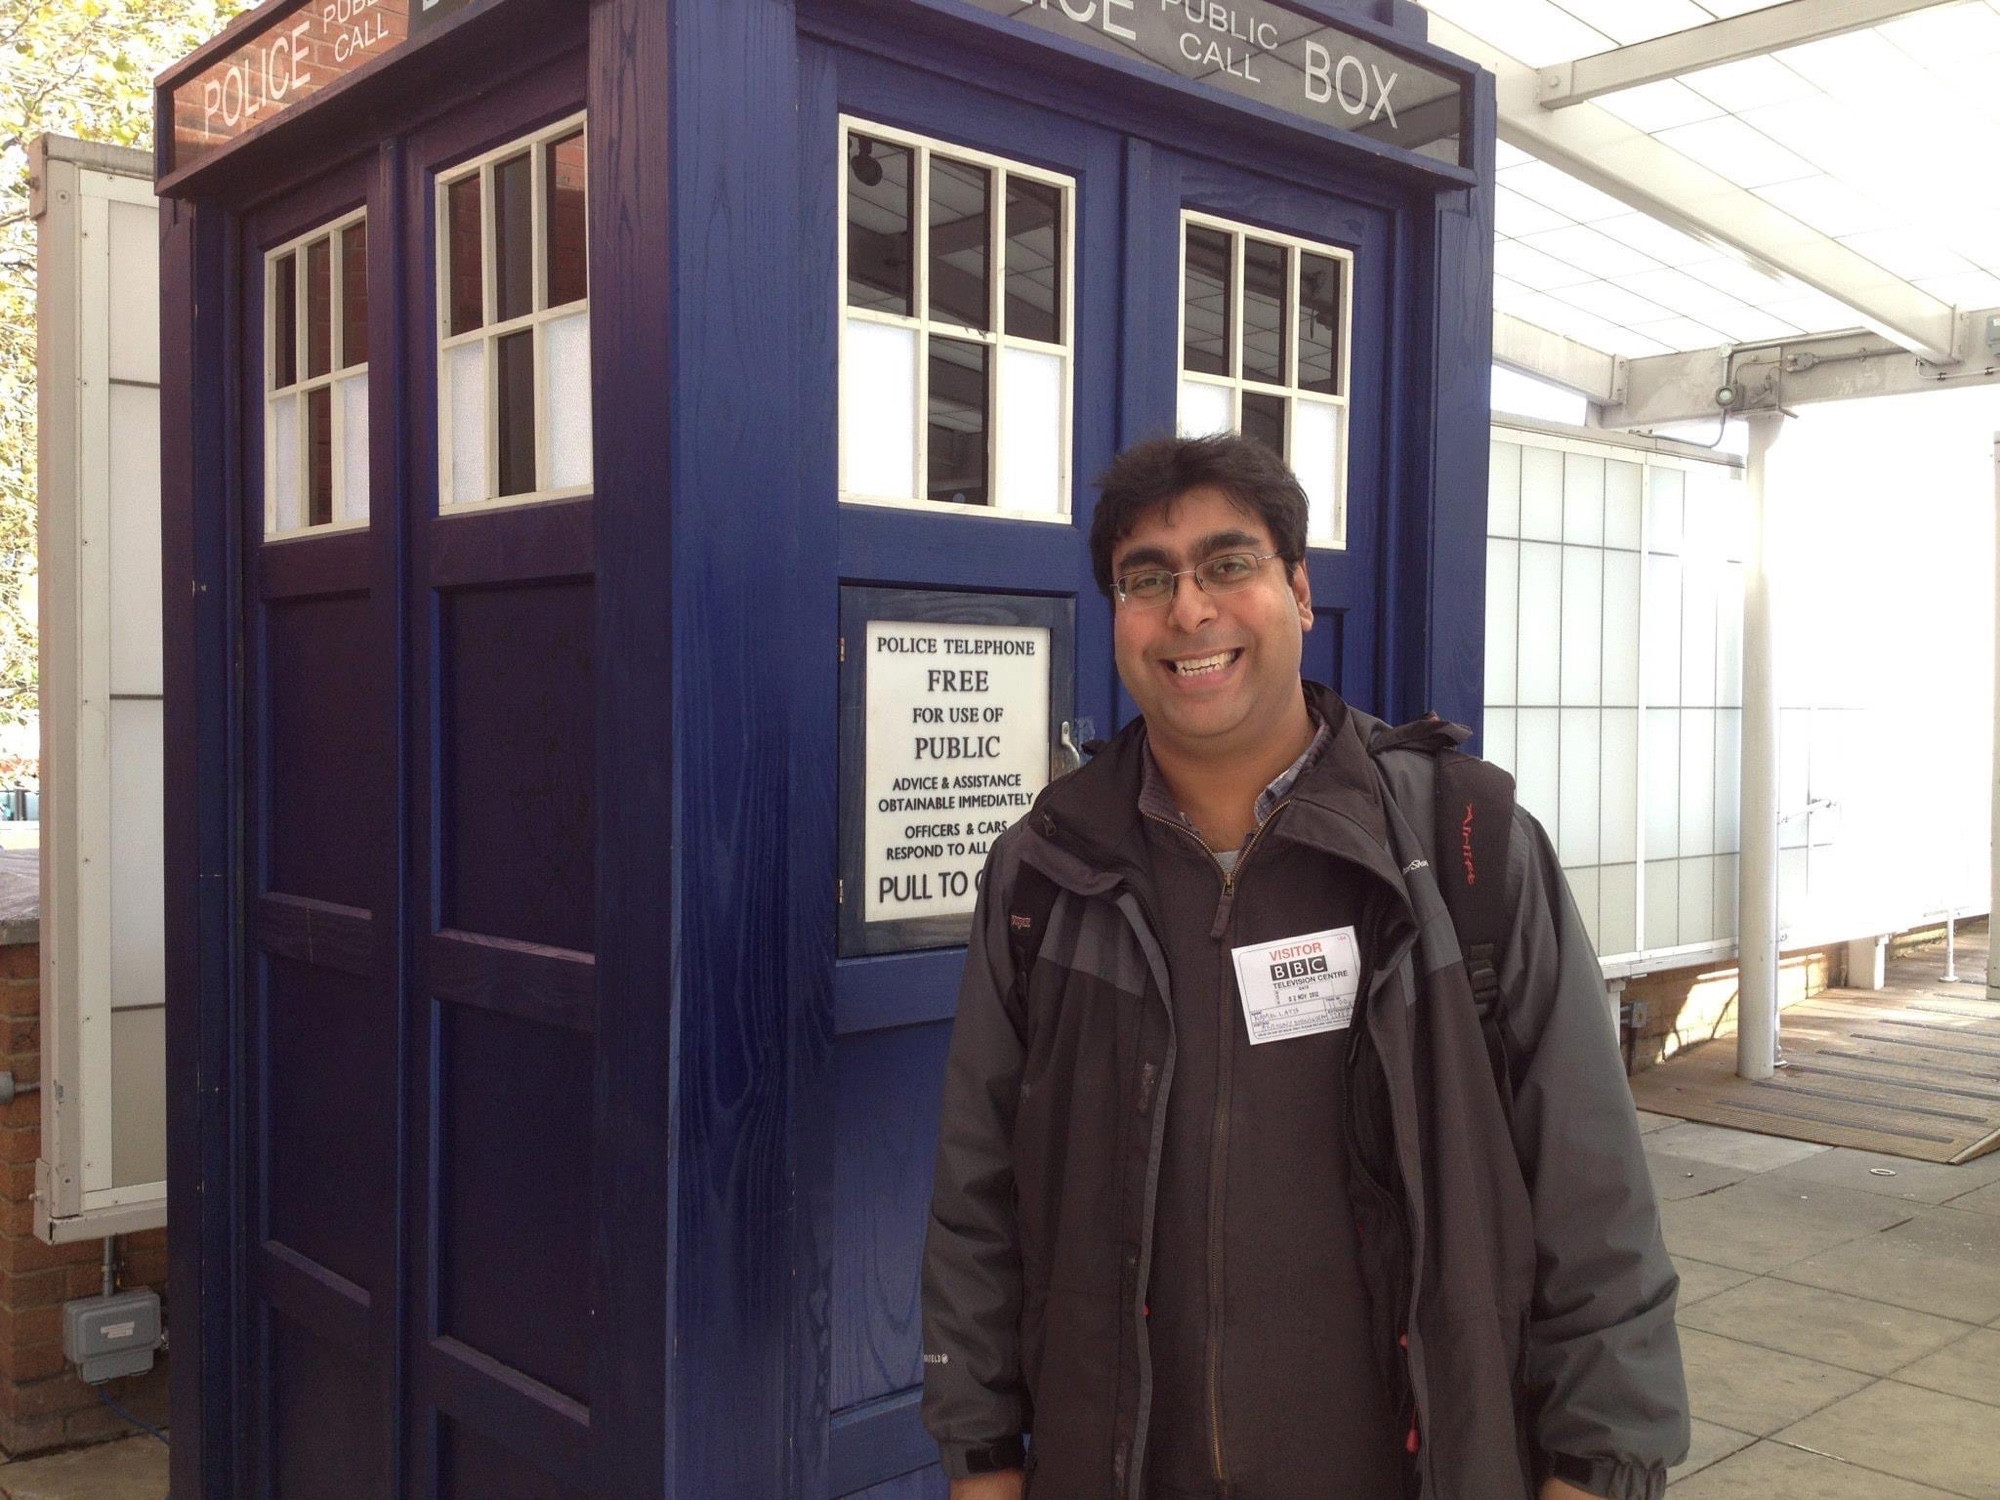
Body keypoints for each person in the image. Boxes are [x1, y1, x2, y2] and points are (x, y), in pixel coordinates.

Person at [920, 434, 1688, 1500]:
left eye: (1227, 566)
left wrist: (1597, 1465)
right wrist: (982, 1459)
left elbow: (1591, 1194)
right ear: (1116, 618)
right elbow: (977, 1197)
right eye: (1146, 580)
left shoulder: (1462, 846)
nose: (1188, 611)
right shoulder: (1047, 871)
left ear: (1297, 591)